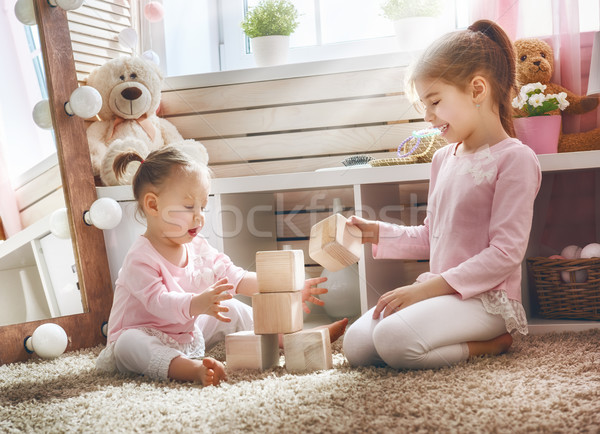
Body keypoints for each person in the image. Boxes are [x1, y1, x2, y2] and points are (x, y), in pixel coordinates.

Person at [342, 19, 542, 370]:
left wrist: (422, 291)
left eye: (434, 101)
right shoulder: (441, 159)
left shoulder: (515, 159)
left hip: (487, 301)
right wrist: (375, 231)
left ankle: (490, 345)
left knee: (393, 340)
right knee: (357, 346)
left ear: (477, 90)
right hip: (440, 292)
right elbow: (431, 235)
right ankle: (436, 332)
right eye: (424, 104)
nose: (428, 116)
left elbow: (505, 254)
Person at [96, 146, 348, 386]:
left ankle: (291, 338)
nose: (199, 216)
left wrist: (285, 288)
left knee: (230, 307)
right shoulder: (139, 258)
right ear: (153, 205)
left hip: (184, 332)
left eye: (202, 207)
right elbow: (158, 303)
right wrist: (197, 304)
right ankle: (191, 369)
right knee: (130, 344)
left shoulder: (198, 246)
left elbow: (234, 277)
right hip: (141, 335)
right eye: (188, 207)